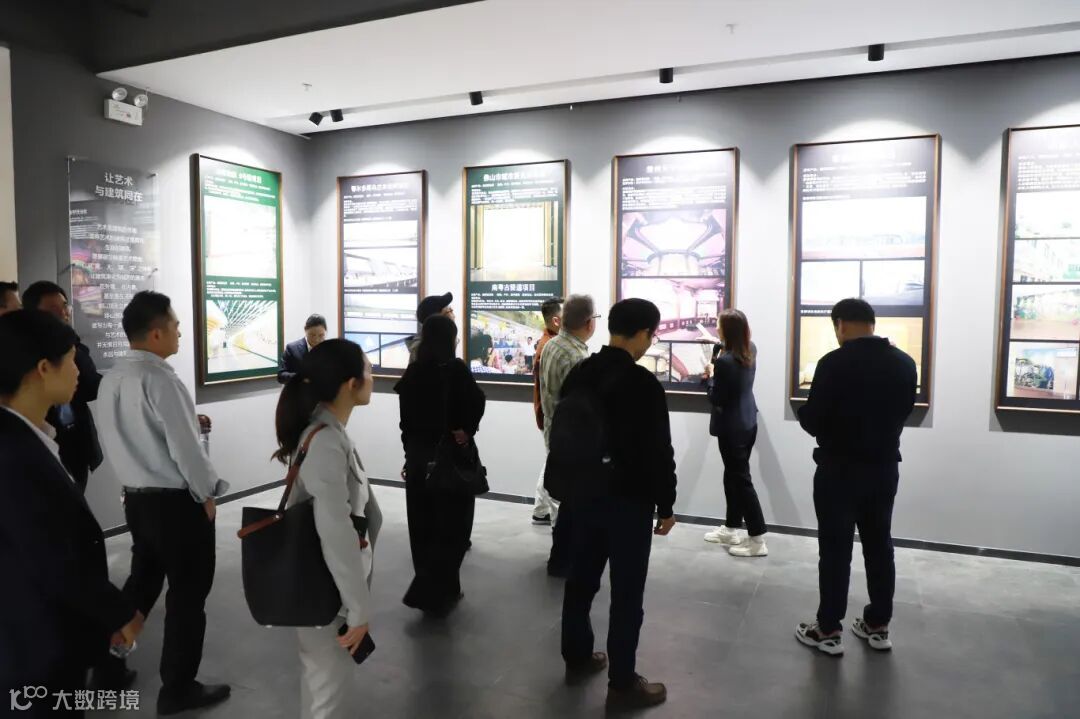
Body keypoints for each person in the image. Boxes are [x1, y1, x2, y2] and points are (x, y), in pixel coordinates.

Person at [0, 310, 144, 717]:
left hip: (45, 636)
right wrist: (117, 613)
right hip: (31, 654)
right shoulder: (13, 455)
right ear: (43, 368)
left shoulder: (29, 436)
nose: (80, 370)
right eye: (71, 359)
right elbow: (49, 557)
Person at [94, 291, 231, 714]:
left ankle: (107, 666)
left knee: (142, 582)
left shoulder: (112, 379)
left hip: (137, 502)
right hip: (176, 506)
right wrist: (207, 493)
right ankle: (178, 688)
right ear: (155, 333)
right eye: (174, 326)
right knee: (188, 595)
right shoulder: (161, 380)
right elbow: (186, 450)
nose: (179, 333)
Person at [559, 298, 677, 711]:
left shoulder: (580, 373)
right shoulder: (643, 384)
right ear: (643, 333)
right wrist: (667, 504)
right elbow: (659, 451)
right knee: (627, 593)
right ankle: (622, 683)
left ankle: (576, 655)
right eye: (651, 335)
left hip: (582, 495)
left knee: (580, 581)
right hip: (629, 501)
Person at [795, 298, 917, 657]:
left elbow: (815, 420)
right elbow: (904, 411)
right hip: (883, 469)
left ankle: (829, 629)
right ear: (872, 323)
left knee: (835, 550)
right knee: (880, 546)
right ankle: (878, 625)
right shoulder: (904, 363)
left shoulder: (833, 363)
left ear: (841, 325)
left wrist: (804, 413)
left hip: (838, 470)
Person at [273, 339, 383, 719]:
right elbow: (335, 530)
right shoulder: (324, 441)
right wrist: (357, 606)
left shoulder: (331, 433)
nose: (373, 378)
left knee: (325, 688)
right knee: (328, 697)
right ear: (350, 384)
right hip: (326, 592)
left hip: (332, 587)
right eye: (368, 371)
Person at [395, 314, 485, 616]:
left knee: (423, 528)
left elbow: (405, 423)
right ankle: (439, 591)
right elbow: (477, 402)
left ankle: (434, 591)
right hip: (449, 461)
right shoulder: (455, 369)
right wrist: (466, 431)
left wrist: (410, 455)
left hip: (419, 463)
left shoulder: (414, 372)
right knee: (453, 529)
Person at [22, 280, 103, 493]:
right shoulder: (23, 354)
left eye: (65, 307)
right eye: (53, 310)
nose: (63, 314)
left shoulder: (73, 346)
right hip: (44, 443)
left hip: (76, 442)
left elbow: (90, 386)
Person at [702, 309, 768, 557]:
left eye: (719, 325)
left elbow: (716, 398)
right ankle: (731, 528)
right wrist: (717, 345)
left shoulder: (725, 363)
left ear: (726, 330)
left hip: (731, 428)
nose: (717, 328)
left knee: (740, 480)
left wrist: (710, 376)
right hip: (747, 421)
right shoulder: (750, 348)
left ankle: (757, 538)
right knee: (734, 476)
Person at [540, 295, 597, 577]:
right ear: (588, 323)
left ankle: (560, 558)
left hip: (556, 433)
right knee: (577, 504)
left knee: (568, 503)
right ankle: (566, 560)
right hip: (573, 441)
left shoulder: (551, 345)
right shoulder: (577, 358)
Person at [530, 296, 563, 525]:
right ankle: (555, 520)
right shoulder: (549, 346)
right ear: (555, 320)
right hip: (551, 416)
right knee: (555, 464)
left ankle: (540, 510)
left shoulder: (549, 342)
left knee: (551, 460)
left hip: (549, 415)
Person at [278, 314, 328, 384]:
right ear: (305, 329)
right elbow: (281, 376)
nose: (316, 340)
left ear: (325, 332)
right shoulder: (292, 348)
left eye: (321, 335)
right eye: (312, 335)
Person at [406, 292, 454, 362]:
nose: (454, 316)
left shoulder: (441, 343)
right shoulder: (421, 351)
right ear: (437, 320)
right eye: (450, 311)